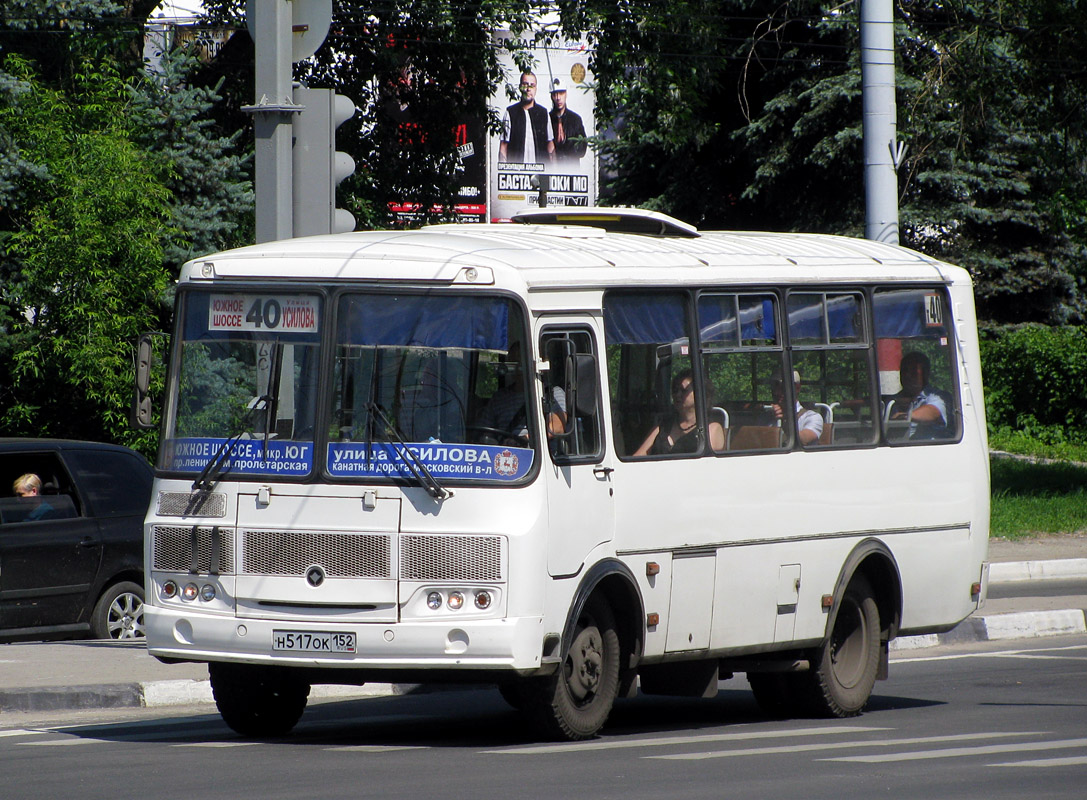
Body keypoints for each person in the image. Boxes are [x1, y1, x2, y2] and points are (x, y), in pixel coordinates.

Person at [475, 342, 566, 445]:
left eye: (522, 362)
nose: (518, 367)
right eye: (514, 362)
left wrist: (524, 439)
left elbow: (558, 427)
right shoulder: (499, 398)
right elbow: (483, 432)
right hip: (504, 454)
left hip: (538, 453)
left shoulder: (552, 393)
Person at [633, 369, 726, 456]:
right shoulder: (663, 426)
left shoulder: (712, 429)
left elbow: (708, 465)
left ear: (701, 393)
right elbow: (638, 456)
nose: (677, 395)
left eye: (684, 390)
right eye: (675, 390)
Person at [889, 351, 949, 440]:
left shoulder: (936, 396)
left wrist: (905, 416)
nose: (907, 375)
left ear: (925, 374)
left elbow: (933, 412)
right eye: (904, 371)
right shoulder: (894, 400)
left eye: (913, 372)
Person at [499, 72, 555, 164]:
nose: (528, 89)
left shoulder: (543, 113)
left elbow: (550, 145)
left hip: (540, 172)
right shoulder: (510, 113)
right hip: (517, 173)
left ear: (536, 89)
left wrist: (553, 172)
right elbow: (503, 146)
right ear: (520, 87)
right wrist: (503, 170)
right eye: (525, 84)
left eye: (532, 85)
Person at [770, 369, 824, 445]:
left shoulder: (812, 417)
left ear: (797, 388)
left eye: (782, 388)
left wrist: (784, 422)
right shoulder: (765, 418)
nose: (776, 392)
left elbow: (804, 439)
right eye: (774, 387)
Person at [548, 77, 587, 164]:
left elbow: (582, 148)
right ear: (551, 97)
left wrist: (568, 149)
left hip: (571, 169)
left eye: (561, 93)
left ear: (566, 94)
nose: (558, 98)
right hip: (553, 169)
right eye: (555, 94)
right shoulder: (547, 119)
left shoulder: (575, 120)